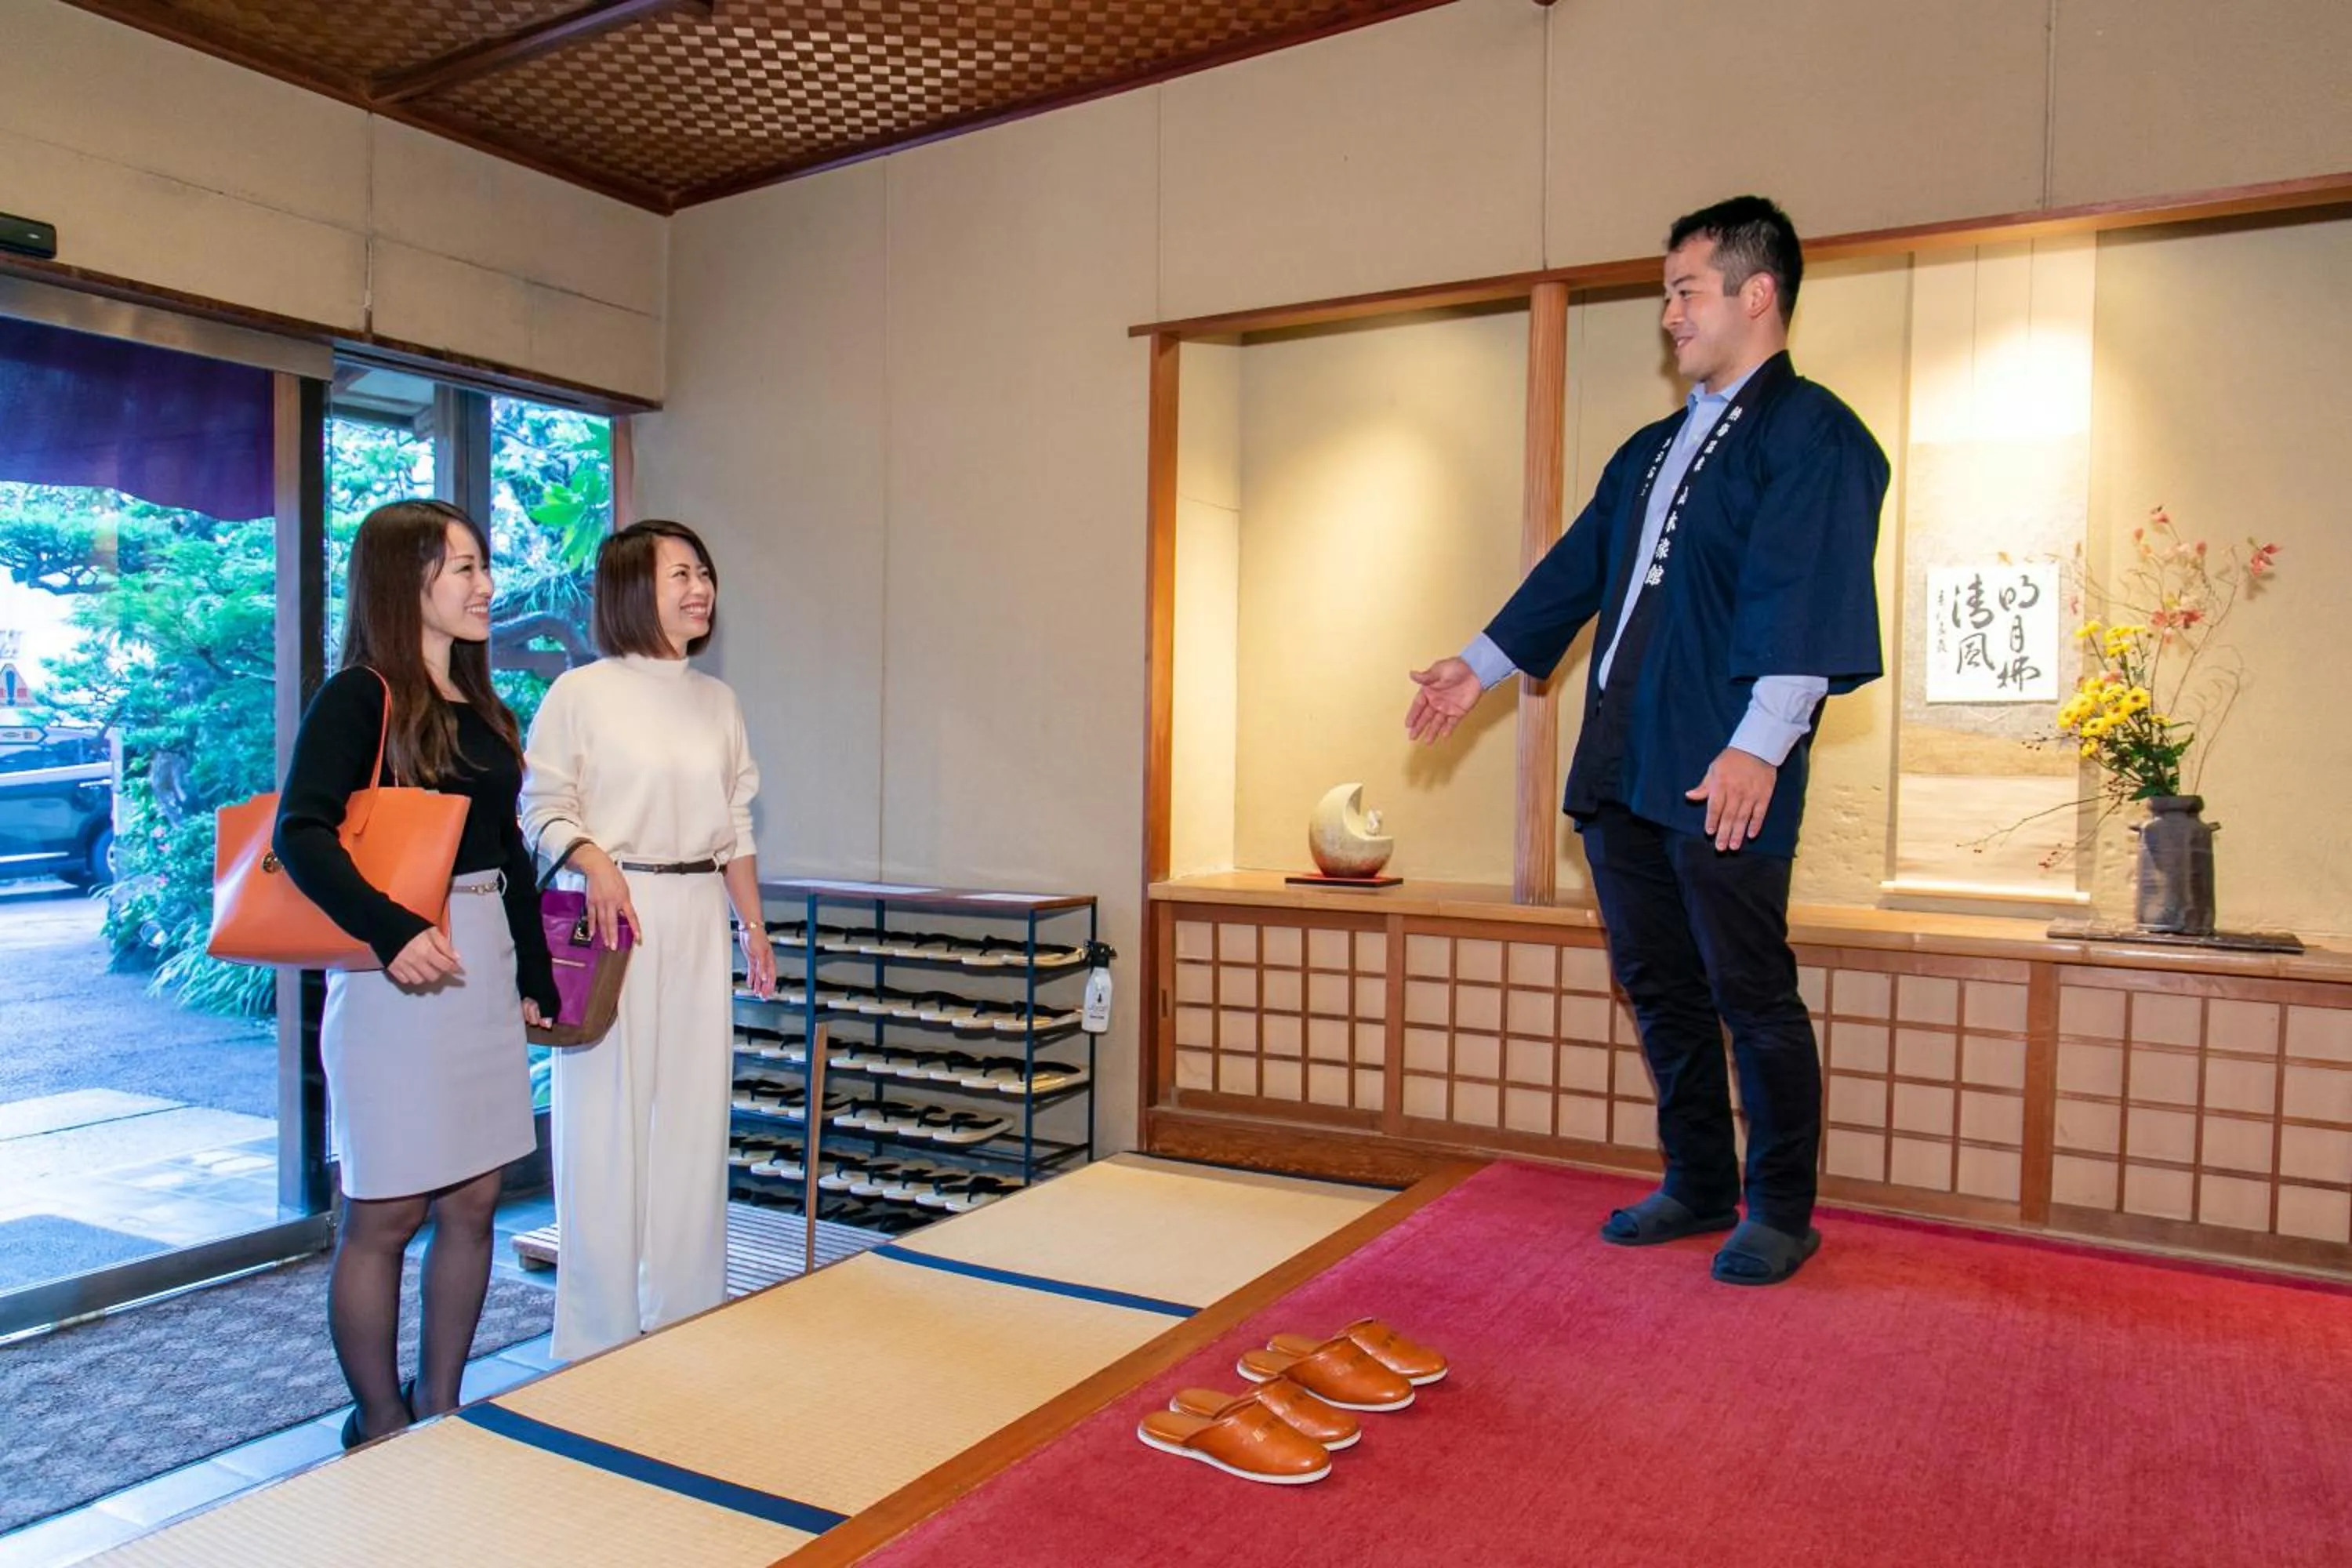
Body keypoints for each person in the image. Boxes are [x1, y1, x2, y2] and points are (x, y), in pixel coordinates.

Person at [1406, 196, 1886, 1287]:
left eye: (1686, 289)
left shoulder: (1813, 434)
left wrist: (1760, 744)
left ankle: (1779, 1207)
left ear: (1757, 293)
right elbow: (1578, 570)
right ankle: (1699, 1181)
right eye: (1667, 292)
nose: (1669, 314)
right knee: (1658, 983)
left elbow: (1802, 596)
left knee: (1749, 990)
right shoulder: (1654, 447)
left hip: (1727, 769)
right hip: (1625, 756)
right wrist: (1476, 666)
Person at [274, 499, 559, 1446]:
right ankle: (381, 1419)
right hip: (397, 971)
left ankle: (442, 1403)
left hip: (482, 964)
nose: (486, 586)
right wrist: (392, 930)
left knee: (476, 1196)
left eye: (484, 565)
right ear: (410, 582)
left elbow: (508, 852)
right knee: (386, 1206)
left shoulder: (484, 705)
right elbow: (300, 831)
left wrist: (535, 969)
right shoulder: (360, 694)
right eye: (465, 568)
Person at [520, 519, 772, 1360]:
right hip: (611, 919)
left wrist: (753, 924)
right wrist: (594, 862)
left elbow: (733, 824)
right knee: (604, 1119)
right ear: (633, 587)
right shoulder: (580, 693)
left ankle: (687, 1312)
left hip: (700, 910)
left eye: (703, 571)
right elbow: (543, 807)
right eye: (678, 574)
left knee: (696, 1115)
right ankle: (595, 1335)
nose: (699, 588)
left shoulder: (718, 700)